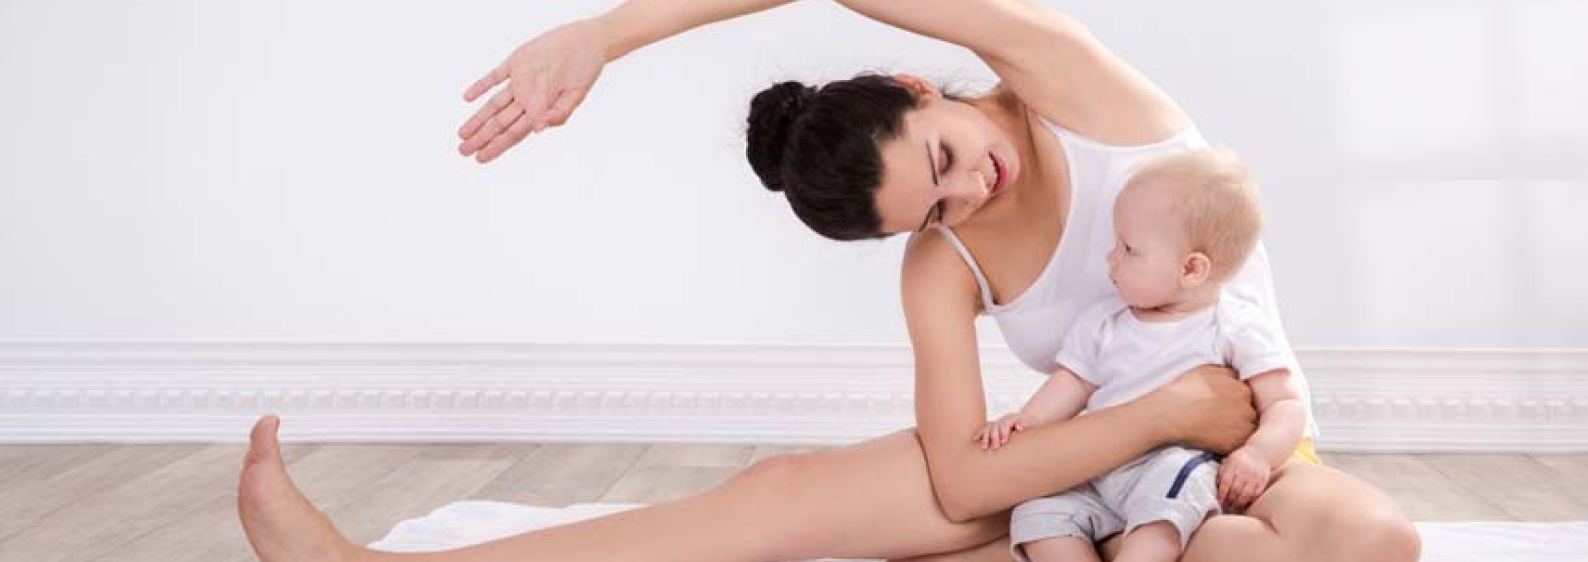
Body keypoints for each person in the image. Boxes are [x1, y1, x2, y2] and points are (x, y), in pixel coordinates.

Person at [237, 1, 1422, 561]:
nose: (974, 193)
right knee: (779, 492)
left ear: (922, 88)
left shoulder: (1070, 84)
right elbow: (963, 472)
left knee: (1365, 546)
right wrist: (1164, 409)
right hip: (1077, 471)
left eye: (947, 161)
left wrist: (604, 37)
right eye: (939, 207)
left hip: (1241, 451)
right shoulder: (938, 262)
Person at [976, 150, 1311, 562]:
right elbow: (1072, 384)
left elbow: (1285, 403)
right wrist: (1026, 422)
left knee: (1163, 513)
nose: (1111, 258)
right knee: (1036, 511)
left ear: (1191, 269)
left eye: (1129, 249)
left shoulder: (1234, 326)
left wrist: (1258, 453)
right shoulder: (1104, 322)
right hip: (1098, 465)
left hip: (1174, 463)